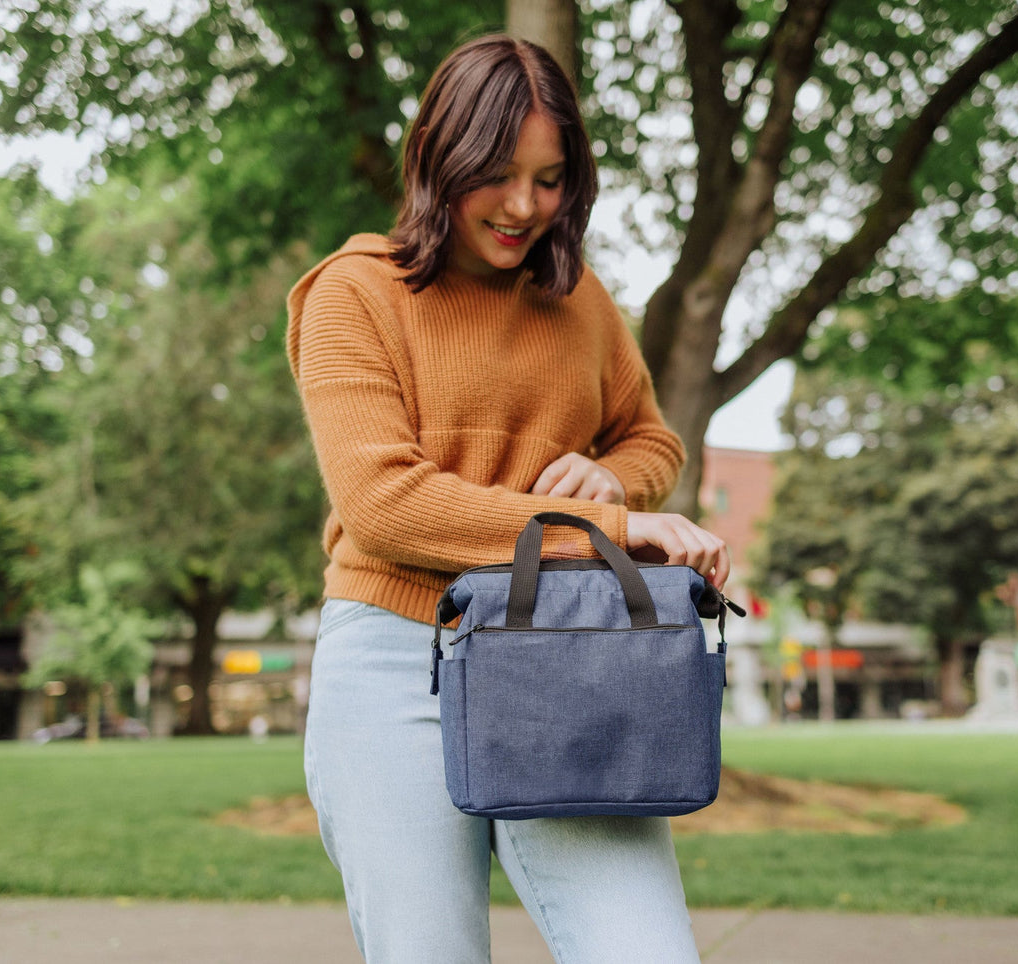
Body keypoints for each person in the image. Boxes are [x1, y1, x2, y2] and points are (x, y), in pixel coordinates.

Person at [286, 33, 729, 962]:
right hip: (393, 661)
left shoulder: (579, 302)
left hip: (567, 658)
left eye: (552, 178)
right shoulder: (354, 294)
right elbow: (386, 506)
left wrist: (616, 475)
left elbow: (650, 437)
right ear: (437, 157)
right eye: (496, 173)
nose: (525, 206)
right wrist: (603, 526)